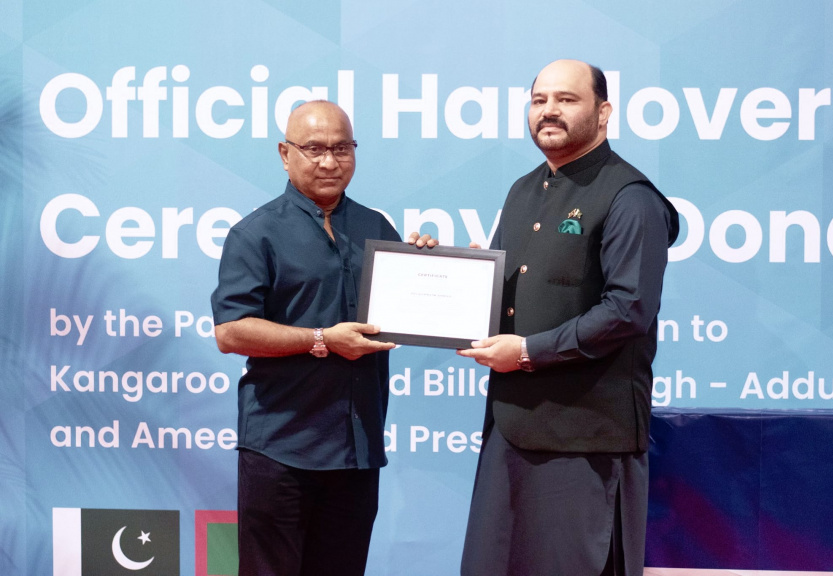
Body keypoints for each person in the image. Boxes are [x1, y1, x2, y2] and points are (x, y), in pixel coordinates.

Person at [458, 59, 680, 576]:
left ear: (603, 113)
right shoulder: (522, 189)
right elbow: (507, 295)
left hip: (584, 442)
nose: (549, 110)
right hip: (512, 428)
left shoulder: (631, 197)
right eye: (539, 100)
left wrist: (527, 352)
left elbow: (627, 311)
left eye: (566, 99)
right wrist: (454, 275)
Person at [210, 100, 436, 576]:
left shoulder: (377, 227)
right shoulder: (256, 234)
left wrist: (430, 266)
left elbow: (412, 308)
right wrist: (322, 339)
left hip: (356, 450)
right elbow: (231, 331)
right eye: (314, 149)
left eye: (342, 148)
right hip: (281, 448)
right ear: (285, 154)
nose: (330, 162)